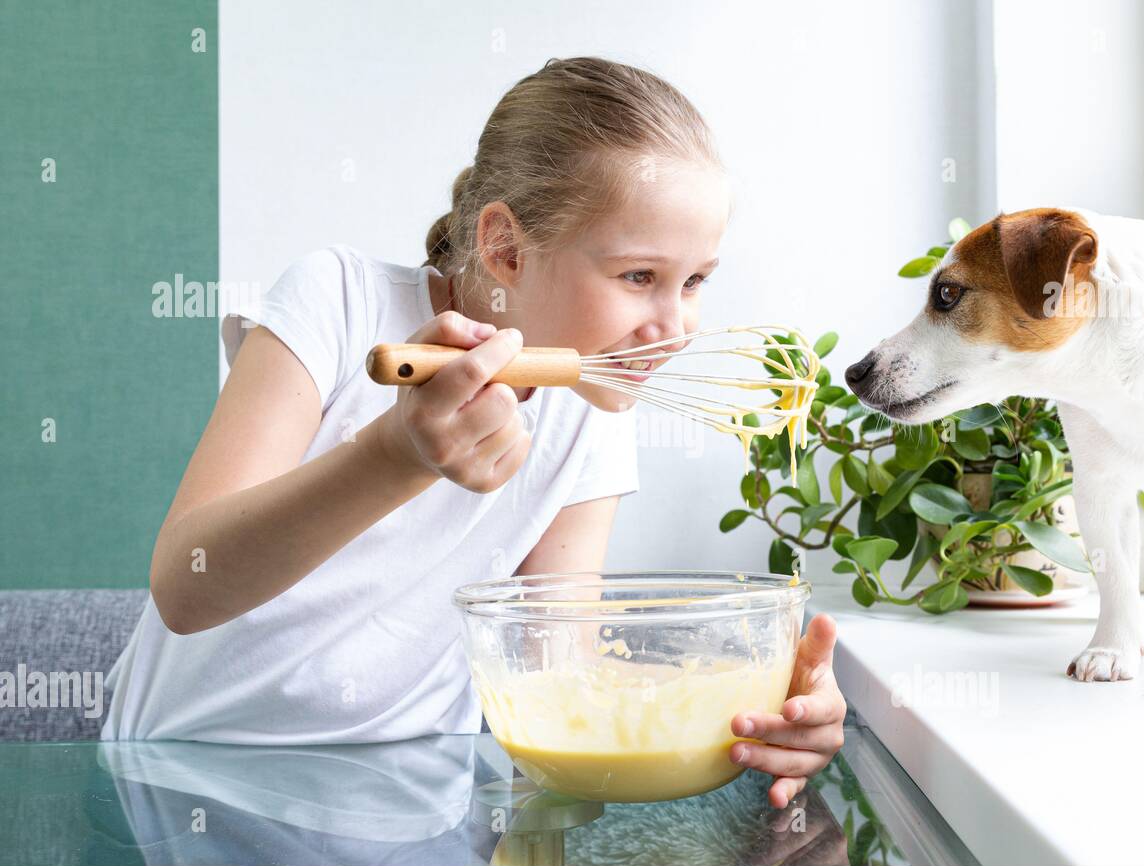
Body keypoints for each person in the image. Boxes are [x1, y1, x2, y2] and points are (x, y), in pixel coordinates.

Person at [102, 56, 845, 809]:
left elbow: (562, 684)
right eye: (638, 277)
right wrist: (395, 456)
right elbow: (184, 588)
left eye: (694, 282)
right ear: (506, 251)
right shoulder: (338, 301)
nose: (675, 328)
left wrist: (764, 710)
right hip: (178, 788)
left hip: (408, 806)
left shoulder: (594, 407)